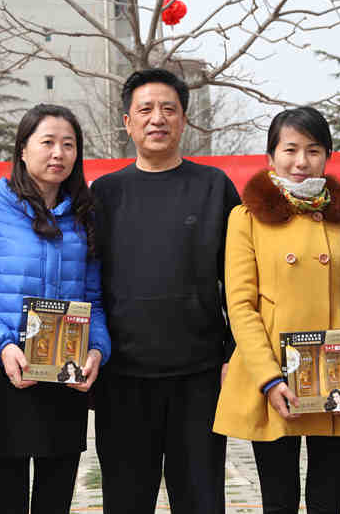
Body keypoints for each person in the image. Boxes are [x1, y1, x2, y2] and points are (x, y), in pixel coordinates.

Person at [92, 67, 241, 513]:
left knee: (201, 500)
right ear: (127, 122)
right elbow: (89, 284)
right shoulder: (105, 194)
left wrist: (235, 353)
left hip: (199, 377)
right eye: (145, 110)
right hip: (122, 379)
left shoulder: (214, 187)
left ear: (184, 119)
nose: (157, 118)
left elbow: (239, 281)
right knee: (125, 501)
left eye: (168, 109)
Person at [0, 104, 111, 514]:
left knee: (55, 503)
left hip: (65, 379)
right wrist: (1, 346)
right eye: (48, 142)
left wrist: (96, 350)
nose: (59, 153)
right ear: (22, 149)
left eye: (69, 145)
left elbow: (94, 299)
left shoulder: (83, 218)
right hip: (3, 378)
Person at [213, 107, 340, 514]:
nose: (301, 161)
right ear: (271, 156)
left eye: (313, 150)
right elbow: (241, 306)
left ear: (328, 156)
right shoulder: (246, 218)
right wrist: (268, 378)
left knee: (327, 500)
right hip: (274, 378)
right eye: (290, 149)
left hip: (337, 376)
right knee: (278, 500)